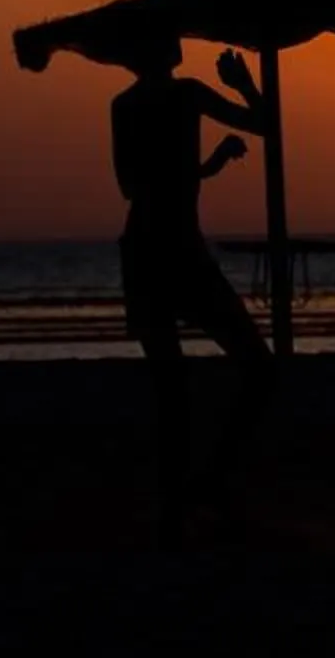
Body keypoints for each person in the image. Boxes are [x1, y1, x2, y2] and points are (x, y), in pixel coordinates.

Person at [104, 34, 277, 543]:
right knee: (257, 371)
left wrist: (207, 167)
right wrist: (246, 84)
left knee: (171, 389)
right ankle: (203, 487)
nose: (177, 40)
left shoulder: (125, 104)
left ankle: (183, 502)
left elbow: (134, 185)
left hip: (143, 247)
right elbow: (266, 125)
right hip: (176, 248)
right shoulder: (187, 94)